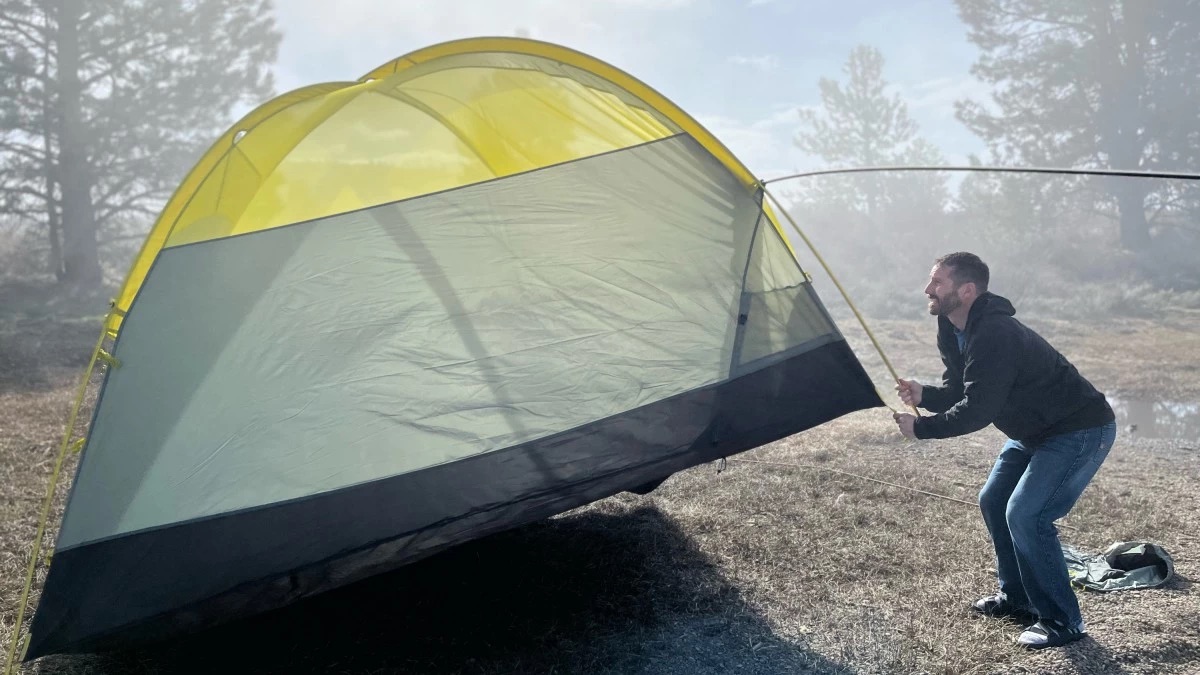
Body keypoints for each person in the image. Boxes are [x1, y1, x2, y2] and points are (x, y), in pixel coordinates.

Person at [892, 252, 1116, 650]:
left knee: (1027, 514)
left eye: (937, 282)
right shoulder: (951, 325)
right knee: (994, 500)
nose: (928, 289)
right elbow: (964, 390)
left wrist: (922, 428)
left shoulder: (995, 332)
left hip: (1078, 429)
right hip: (1033, 432)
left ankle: (1063, 620)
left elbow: (979, 410)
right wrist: (926, 395)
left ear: (967, 290)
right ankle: (1019, 599)